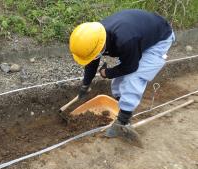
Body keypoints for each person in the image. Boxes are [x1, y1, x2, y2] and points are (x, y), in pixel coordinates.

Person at [69, 9, 175, 138]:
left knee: (134, 77)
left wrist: (107, 72)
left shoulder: (124, 40)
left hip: (159, 39)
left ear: (101, 47)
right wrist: (85, 84)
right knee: (119, 77)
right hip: (138, 35)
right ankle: (120, 103)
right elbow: (92, 60)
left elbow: (130, 67)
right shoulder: (96, 36)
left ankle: (123, 120)